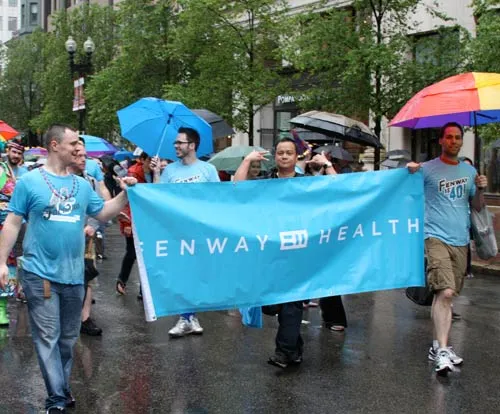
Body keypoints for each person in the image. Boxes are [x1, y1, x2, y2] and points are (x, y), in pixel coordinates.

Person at [0, 124, 137, 413]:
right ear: (54, 145)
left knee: (67, 339)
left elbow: (103, 212)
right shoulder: (29, 182)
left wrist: (125, 195)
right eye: (73, 142)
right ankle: (57, 399)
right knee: (47, 337)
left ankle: (60, 388)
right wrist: (1, 261)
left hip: (74, 276)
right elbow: (12, 223)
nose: (78, 148)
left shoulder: (82, 185)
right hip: (39, 274)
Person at [234, 137, 336, 369]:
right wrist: (247, 161)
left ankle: (284, 352)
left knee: (291, 301)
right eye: (280, 152)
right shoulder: (266, 181)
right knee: (273, 304)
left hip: (299, 253)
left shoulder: (306, 183)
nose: (284, 156)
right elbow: (238, 189)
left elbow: (337, 190)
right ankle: (295, 350)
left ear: (296, 156)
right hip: (271, 253)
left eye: (289, 152)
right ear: (275, 155)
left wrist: (328, 165)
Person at [407, 122, 487, 375]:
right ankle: (442, 349)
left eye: (457, 137)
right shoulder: (427, 169)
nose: (454, 141)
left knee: (445, 296)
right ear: (441, 140)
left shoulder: (469, 171)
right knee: (446, 291)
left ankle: (437, 346)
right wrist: (408, 171)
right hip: (434, 237)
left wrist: (481, 189)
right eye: (449, 137)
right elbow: (404, 189)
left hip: (461, 240)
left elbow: (477, 206)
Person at [152, 127, 220, 338]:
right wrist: (156, 174)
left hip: (200, 230)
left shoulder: (208, 170)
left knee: (197, 275)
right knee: (182, 273)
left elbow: (218, 199)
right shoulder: (170, 170)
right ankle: (186, 318)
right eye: (175, 142)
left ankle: (189, 317)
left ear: (192, 145)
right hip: (176, 231)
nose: (175, 146)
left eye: (179, 142)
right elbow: (159, 197)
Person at [68, 142, 103, 336]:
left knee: (88, 276)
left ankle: (85, 318)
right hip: (66, 240)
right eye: (79, 155)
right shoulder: (61, 180)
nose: (83, 160)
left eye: (85, 156)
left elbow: (99, 208)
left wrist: (92, 226)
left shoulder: (90, 181)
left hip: (87, 239)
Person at [116, 152, 153, 298]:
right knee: (132, 253)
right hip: (133, 219)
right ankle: (122, 280)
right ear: (142, 160)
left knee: (147, 255)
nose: (152, 162)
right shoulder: (133, 174)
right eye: (149, 160)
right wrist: (127, 222)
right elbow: (128, 200)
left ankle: (144, 290)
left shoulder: (157, 174)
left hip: (148, 220)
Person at [0, 139, 28, 325]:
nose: (16, 156)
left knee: (13, 262)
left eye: (19, 153)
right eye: (13, 152)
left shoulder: (24, 173)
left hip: (15, 224)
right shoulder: (3, 170)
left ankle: (3, 306)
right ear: (7, 151)